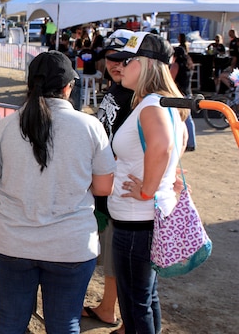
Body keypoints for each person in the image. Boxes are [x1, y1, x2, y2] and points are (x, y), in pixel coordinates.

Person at [0, 51, 116, 334]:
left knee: (10, 322)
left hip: (11, 242)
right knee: (65, 323)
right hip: (71, 245)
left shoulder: (6, 125)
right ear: (67, 88)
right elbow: (103, 188)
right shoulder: (90, 126)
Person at [108, 32, 188, 334]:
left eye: (127, 61)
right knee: (145, 297)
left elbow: (163, 146)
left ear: (146, 64)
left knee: (134, 304)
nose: (120, 67)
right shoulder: (163, 103)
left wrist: (146, 190)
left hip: (137, 220)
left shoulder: (152, 105)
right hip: (148, 217)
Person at [82, 29, 136, 332]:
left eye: (124, 60)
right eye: (111, 58)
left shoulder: (139, 95)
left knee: (126, 259)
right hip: (107, 187)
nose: (116, 65)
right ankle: (107, 308)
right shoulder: (116, 88)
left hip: (124, 189)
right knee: (113, 255)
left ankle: (130, 320)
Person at [170, 46, 197, 151]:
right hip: (188, 93)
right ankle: (191, 142)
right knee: (188, 119)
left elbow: (170, 79)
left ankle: (188, 143)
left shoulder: (176, 65)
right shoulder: (189, 65)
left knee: (181, 119)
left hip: (179, 94)